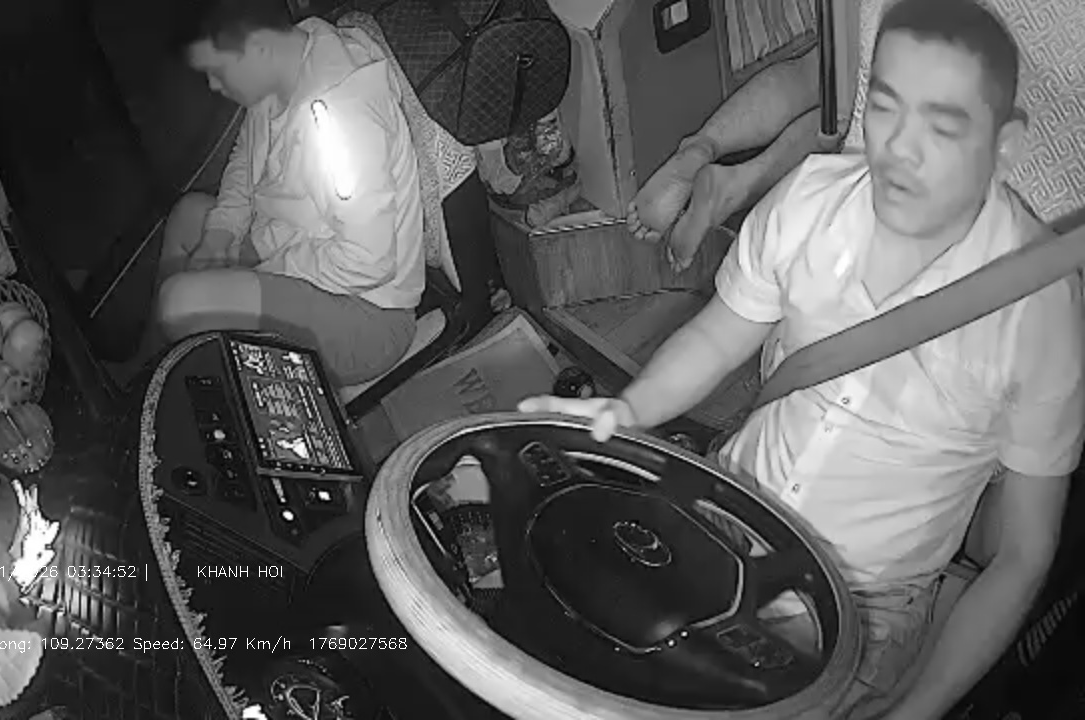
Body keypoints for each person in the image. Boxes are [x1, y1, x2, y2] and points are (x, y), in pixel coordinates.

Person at [522, 1, 1085, 717]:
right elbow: (717, 337)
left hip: (865, 600)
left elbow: (1024, 555)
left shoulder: (1040, 309)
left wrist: (918, 709)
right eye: (886, 108)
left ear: (1005, 145)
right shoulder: (813, 200)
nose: (900, 151)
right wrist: (628, 409)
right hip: (727, 505)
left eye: (942, 126)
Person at [627, 0, 1085, 269]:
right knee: (851, 100)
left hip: (860, 192)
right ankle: (739, 183)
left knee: (826, 77)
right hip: (998, 230)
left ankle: (704, 149)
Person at [157, 0, 424, 386]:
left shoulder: (342, 123)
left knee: (180, 304)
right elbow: (246, 159)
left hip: (366, 314)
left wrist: (262, 267)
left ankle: (176, 380)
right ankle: (163, 368)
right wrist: (223, 232)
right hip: (304, 252)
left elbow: (367, 262)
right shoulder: (285, 64)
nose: (214, 85)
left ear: (259, 48)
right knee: (191, 216)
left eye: (217, 70)